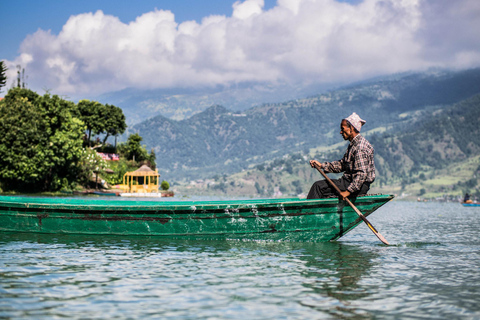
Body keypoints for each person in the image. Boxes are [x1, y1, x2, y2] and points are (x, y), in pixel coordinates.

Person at [307, 112, 375, 199]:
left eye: (342, 129)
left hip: (355, 185)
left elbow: (361, 174)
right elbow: (342, 165)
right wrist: (321, 165)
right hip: (348, 182)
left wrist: (348, 191)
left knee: (318, 187)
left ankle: (309, 211)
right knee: (321, 188)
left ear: (351, 128)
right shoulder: (354, 145)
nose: (341, 132)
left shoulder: (360, 147)